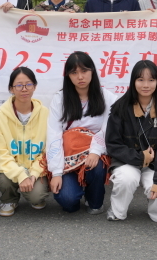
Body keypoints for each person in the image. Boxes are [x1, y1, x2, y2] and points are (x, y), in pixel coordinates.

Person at [105, 60, 157, 222]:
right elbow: (113, 144)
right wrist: (140, 157)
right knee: (126, 179)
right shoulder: (120, 108)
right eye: (140, 80)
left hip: (155, 164)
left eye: (151, 80)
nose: (146, 85)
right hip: (126, 161)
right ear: (133, 81)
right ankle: (117, 211)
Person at [46, 51, 115, 214]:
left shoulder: (107, 98)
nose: (80, 77)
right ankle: (75, 190)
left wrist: (96, 151)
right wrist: (56, 172)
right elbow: (54, 134)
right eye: (74, 72)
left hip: (93, 155)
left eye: (84, 71)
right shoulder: (60, 99)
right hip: (67, 157)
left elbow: (109, 128)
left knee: (97, 168)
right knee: (68, 201)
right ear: (68, 75)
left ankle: (94, 199)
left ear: (92, 71)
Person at [0, 67, 49, 216]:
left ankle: (33, 195)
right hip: (10, 169)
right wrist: (21, 175)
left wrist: (34, 174)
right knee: (4, 180)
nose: (24, 89)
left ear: (35, 86)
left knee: (37, 196)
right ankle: (9, 199)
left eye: (28, 84)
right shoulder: (0, 116)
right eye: (19, 85)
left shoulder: (45, 114)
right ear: (11, 88)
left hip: (34, 168)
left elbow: (47, 151)